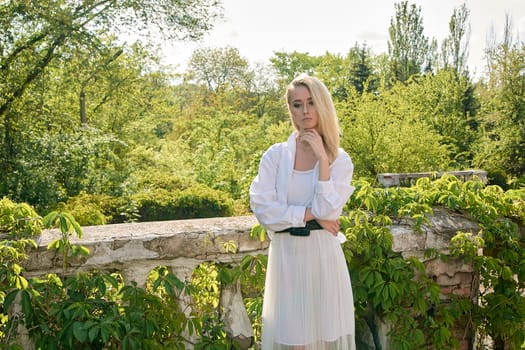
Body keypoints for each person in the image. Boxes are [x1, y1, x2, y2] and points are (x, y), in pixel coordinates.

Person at [249, 74, 356, 350]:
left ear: (322, 106)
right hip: (287, 259)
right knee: (295, 343)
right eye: (297, 104)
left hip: (323, 258)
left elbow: (329, 209)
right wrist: (310, 214)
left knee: (323, 340)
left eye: (311, 102)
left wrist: (322, 158)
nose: (305, 111)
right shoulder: (275, 156)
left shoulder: (339, 160)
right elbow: (263, 209)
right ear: (290, 110)